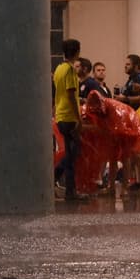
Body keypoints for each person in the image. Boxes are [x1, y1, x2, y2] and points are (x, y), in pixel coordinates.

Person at [53, 38, 85, 201]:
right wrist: (78, 118)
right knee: (72, 154)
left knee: (70, 152)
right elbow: (71, 95)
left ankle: (56, 178)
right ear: (77, 52)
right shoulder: (71, 71)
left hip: (60, 114)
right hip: (69, 116)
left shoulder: (59, 69)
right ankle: (70, 192)